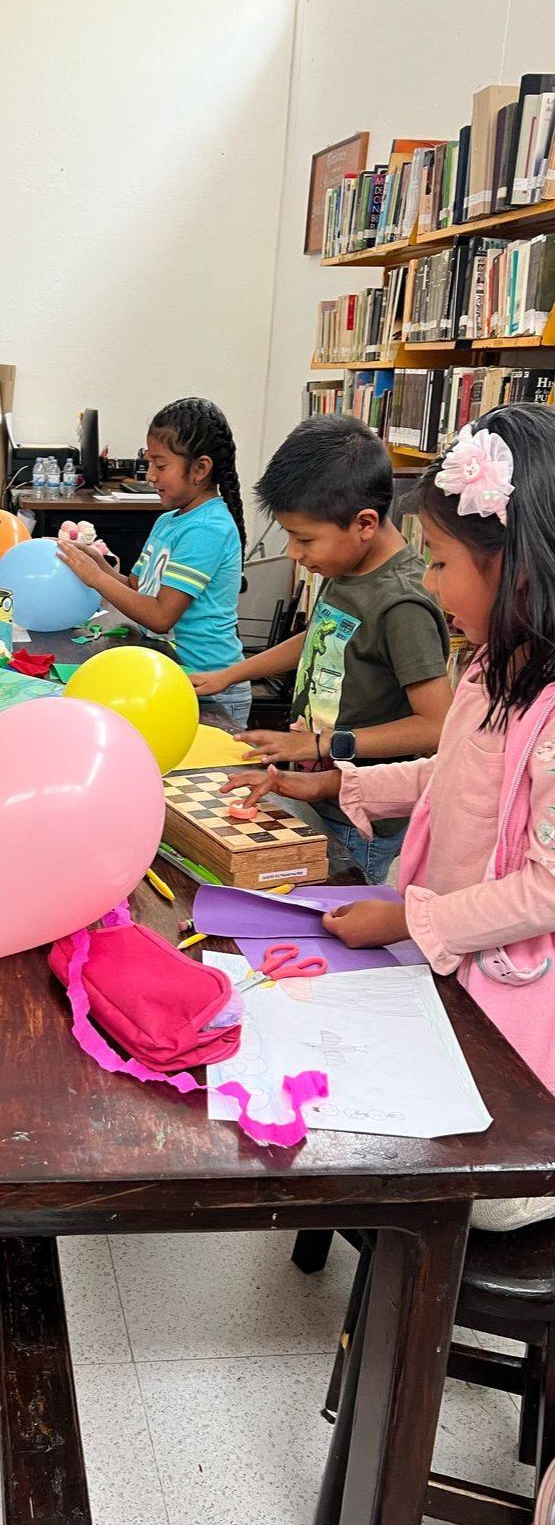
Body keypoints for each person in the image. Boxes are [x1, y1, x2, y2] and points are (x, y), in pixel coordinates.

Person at [224, 405, 555, 1229]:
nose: (429, 583)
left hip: (512, 1026)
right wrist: (343, 785)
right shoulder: (495, 664)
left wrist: (411, 916)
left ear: (517, 569)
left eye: (440, 563)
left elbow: (546, 892)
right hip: (453, 971)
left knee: (421, 1178)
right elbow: (457, 774)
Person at [192, 414, 452, 882]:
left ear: (365, 523)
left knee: (338, 900)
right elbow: (320, 637)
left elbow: (435, 726)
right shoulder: (346, 570)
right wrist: (231, 674)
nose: (293, 552)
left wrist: (319, 742)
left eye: (304, 538)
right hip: (313, 782)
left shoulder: (402, 602)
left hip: (361, 812)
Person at [56, 397, 252, 726]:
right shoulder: (170, 520)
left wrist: (96, 578)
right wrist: (95, 562)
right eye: (150, 464)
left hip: (209, 685)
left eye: (161, 466)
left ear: (201, 469)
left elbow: (160, 616)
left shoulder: (207, 529)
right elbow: (136, 588)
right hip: (171, 673)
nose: (150, 476)